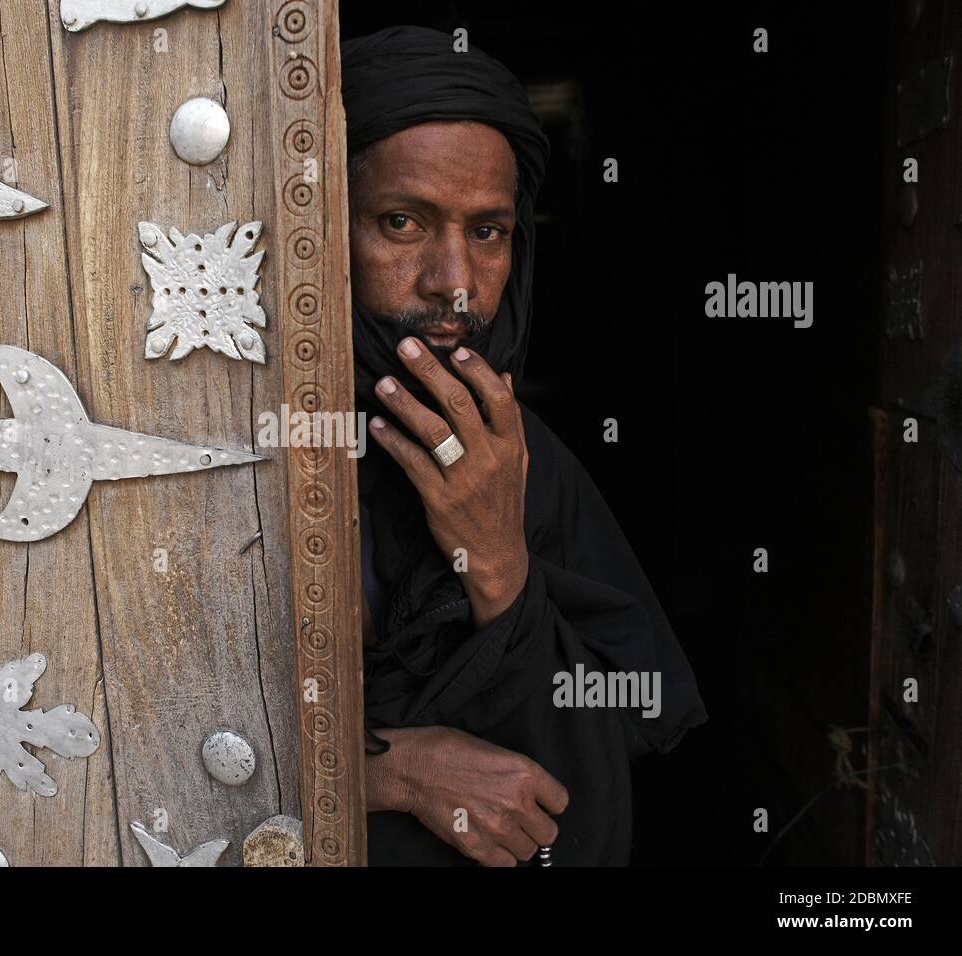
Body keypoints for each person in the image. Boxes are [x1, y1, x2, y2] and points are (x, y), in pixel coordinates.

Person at [344, 25, 708, 866]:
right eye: (402, 222)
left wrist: (498, 559)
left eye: (489, 231)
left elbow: (585, 814)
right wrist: (384, 771)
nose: (455, 284)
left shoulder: (526, 461)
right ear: (324, 224)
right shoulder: (222, 449)